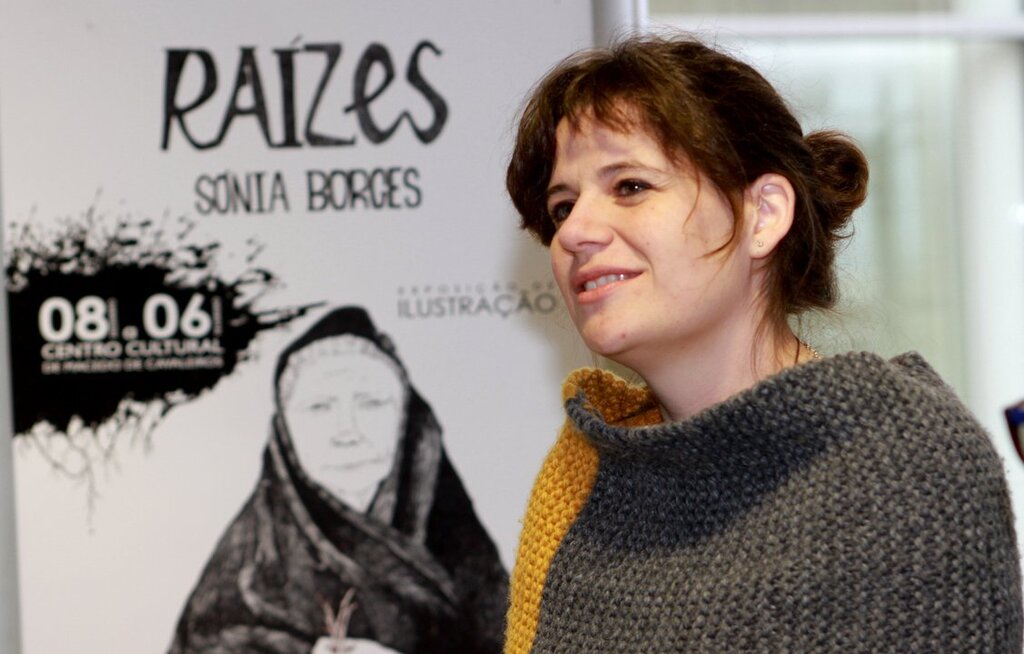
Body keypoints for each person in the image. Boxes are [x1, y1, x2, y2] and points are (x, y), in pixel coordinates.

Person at [503, 34, 1022, 653]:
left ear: (764, 214)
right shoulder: (581, 473)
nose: (574, 232)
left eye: (630, 186)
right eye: (563, 207)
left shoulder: (905, 467)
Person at [170, 306, 507, 654]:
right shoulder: (244, 580)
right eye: (319, 407)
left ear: (406, 421)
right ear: (284, 432)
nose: (347, 431)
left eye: (372, 403)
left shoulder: (463, 555)